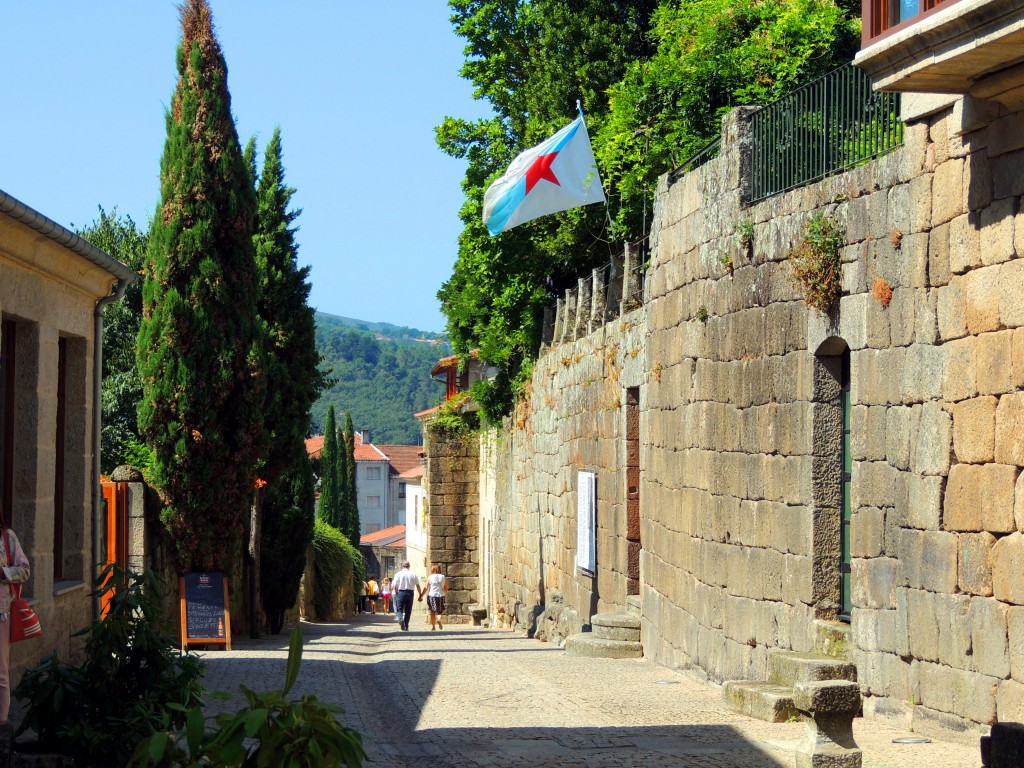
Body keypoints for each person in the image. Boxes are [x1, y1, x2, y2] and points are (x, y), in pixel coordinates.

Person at [0, 518, 29, 724]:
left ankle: (1, 723)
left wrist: (3, 572)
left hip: (1, 613)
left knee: (0, 671)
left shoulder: (7, 537)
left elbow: (24, 569)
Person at [390, 561, 420, 631]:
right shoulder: (413, 574)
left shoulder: (398, 574)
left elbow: (394, 585)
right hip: (410, 593)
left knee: (399, 609)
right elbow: (418, 585)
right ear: (409, 566)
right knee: (408, 610)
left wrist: (395, 591)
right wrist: (420, 595)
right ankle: (406, 625)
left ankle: (400, 619)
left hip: (401, 592)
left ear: (402, 566)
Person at [419, 563, 448, 631]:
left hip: (431, 595)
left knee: (432, 611)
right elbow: (446, 587)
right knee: (440, 611)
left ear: (432, 570)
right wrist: (446, 594)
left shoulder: (430, 577)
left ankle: (433, 627)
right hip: (440, 595)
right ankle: (438, 619)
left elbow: (426, 587)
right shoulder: (443, 577)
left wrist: (421, 595)